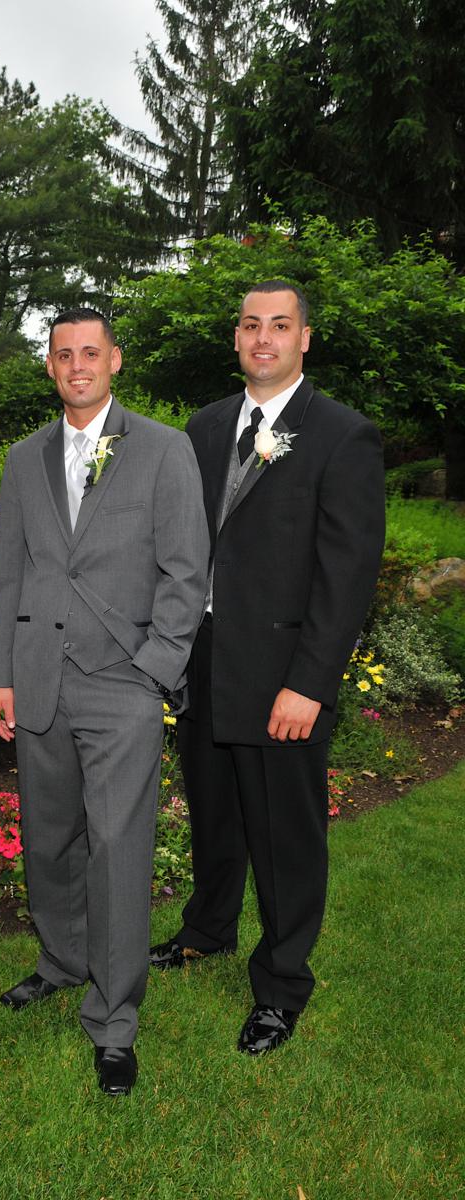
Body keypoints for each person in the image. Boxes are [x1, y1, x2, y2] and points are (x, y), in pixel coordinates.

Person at [150, 280, 385, 1055]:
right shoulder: (205, 426)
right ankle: (207, 929)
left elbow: (347, 575)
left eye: (279, 325)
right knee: (214, 812)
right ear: (237, 336)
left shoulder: (342, 435)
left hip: (283, 672)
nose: (263, 338)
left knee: (285, 837)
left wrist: (309, 684)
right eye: (251, 325)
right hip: (205, 659)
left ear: (304, 338)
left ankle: (281, 985)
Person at [0, 309, 209, 1095]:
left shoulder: (164, 449)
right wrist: (0, 675)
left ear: (115, 359)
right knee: (49, 839)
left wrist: (154, 669)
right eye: (63, 354)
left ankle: (113, 1019)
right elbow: (7, 573)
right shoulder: (23, 459)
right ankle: (60, 961)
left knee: (117, 849)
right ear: (49, 366)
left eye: (91, 351)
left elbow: (187, 570)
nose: (77, 364)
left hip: (123, 683)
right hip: (39, 679)